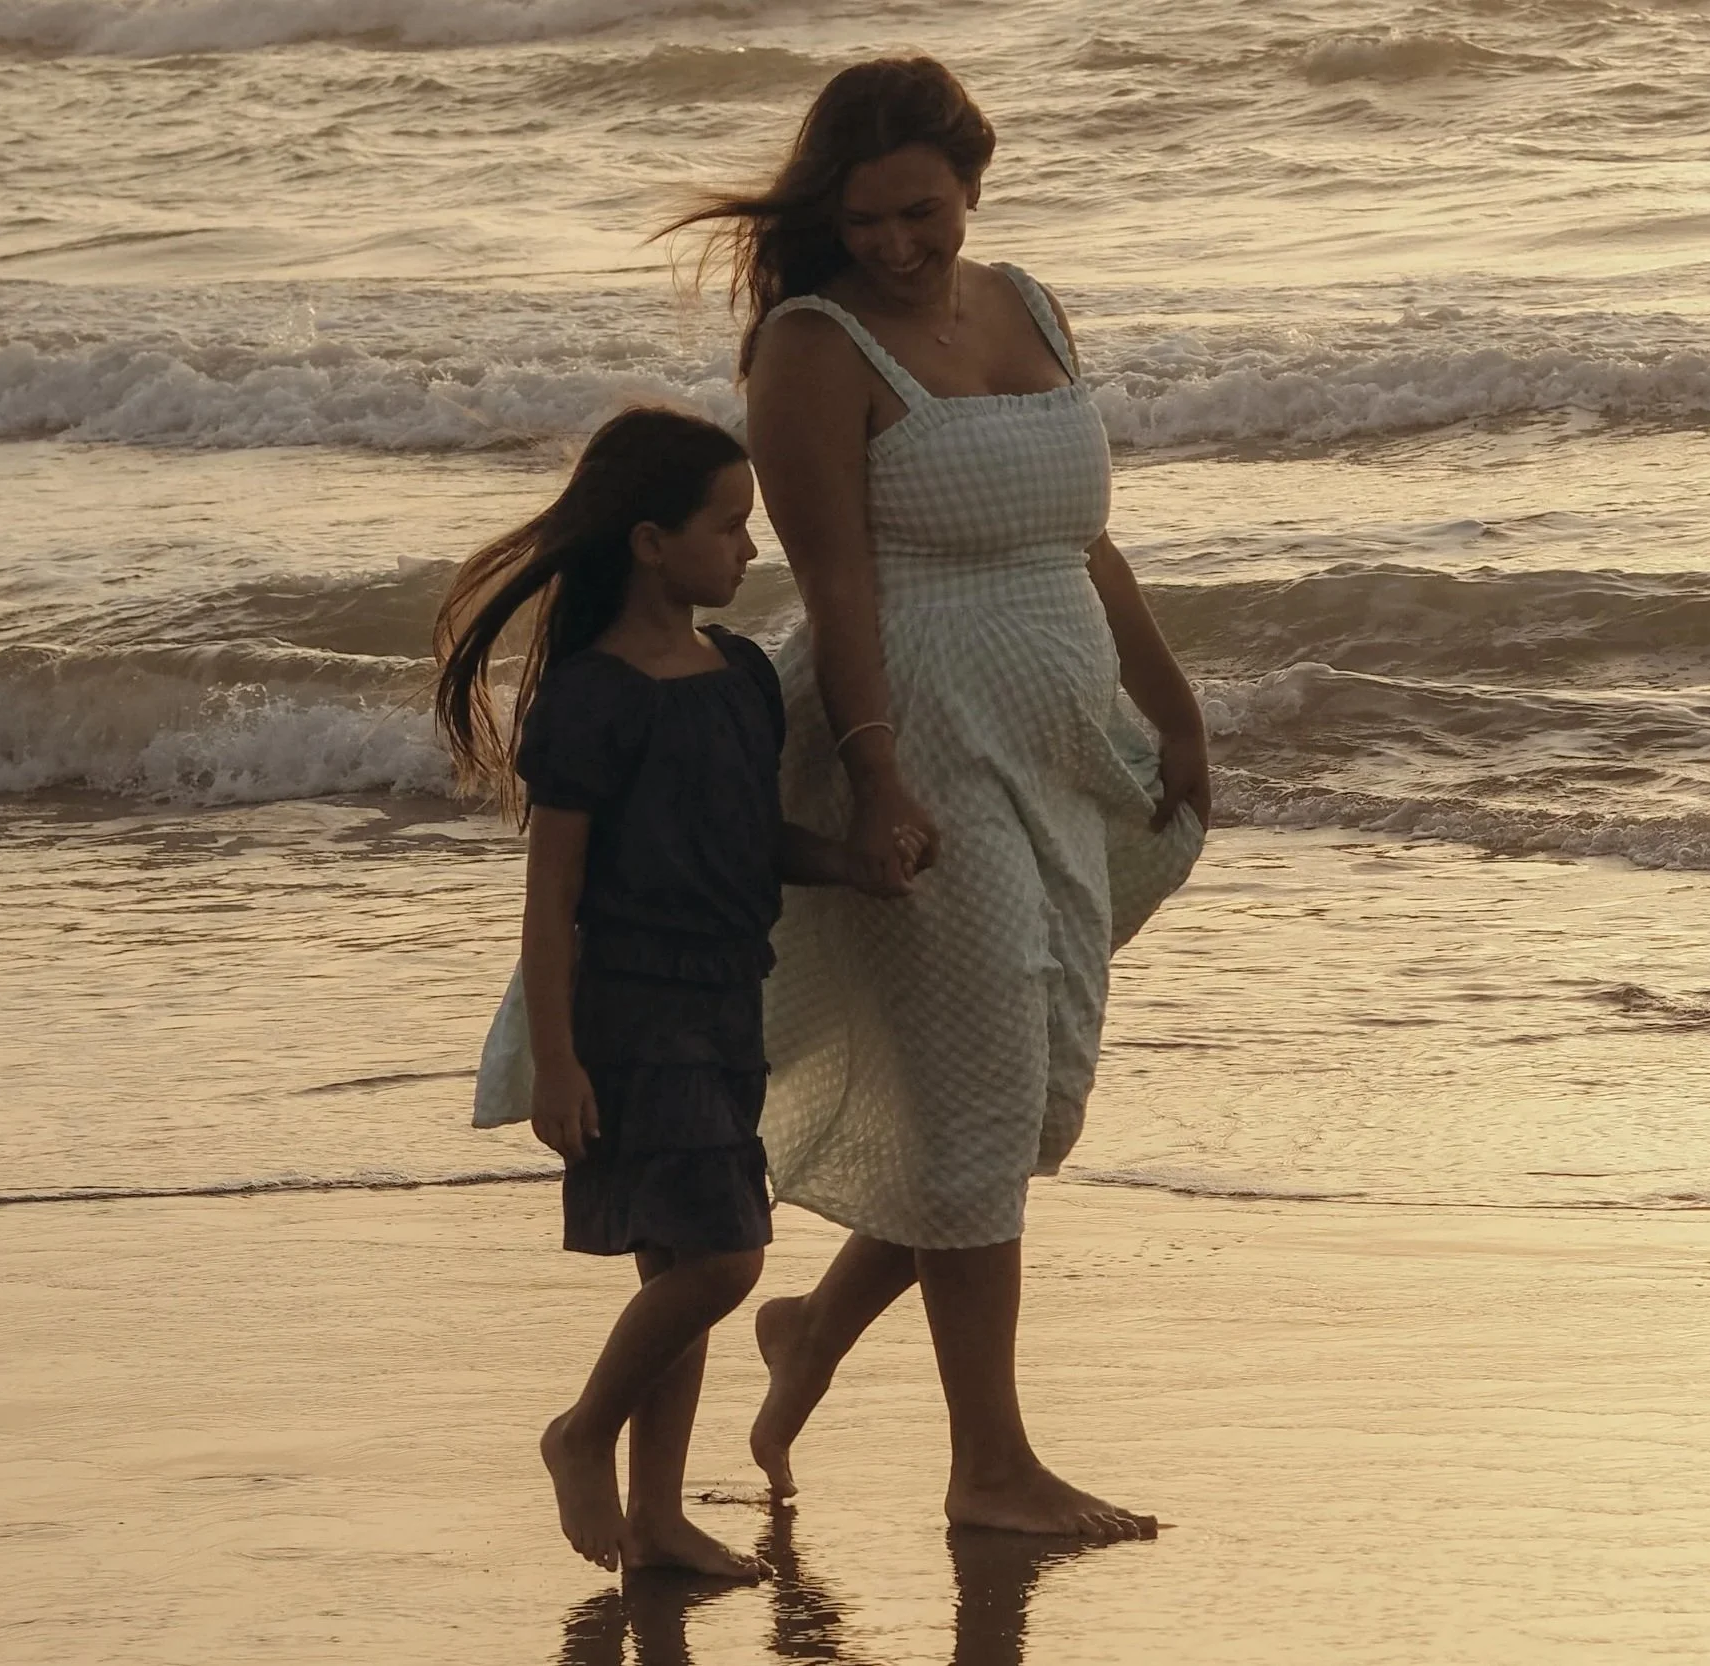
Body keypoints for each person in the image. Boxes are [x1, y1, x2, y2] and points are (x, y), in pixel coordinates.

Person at [668, 57, 1210, 1540]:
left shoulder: (1028, 303)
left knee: (1025, 1093)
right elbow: (835, 581)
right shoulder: (812, 347)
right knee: (977, 1097)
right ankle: (990, 1468)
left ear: (974, 187)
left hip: (1058, 739)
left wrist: (1171, 701)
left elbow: (1087, 539)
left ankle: (810, 1336)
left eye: (925, 214)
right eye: (867, 221)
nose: (899, 245)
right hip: (923, 739)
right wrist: (882, 767)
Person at [432, 406, 876, 1577]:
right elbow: (551, 894)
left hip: (732, 996)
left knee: (681, 1265)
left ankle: (659, 1517)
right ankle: (580, 1435)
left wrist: (849, 862)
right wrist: (560, 1059)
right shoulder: (592, 695)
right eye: (727, 526)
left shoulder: (737, 674)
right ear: (648, 540)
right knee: (724, 1264)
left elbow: (749, 836)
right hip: (634, 1010)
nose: (748, 549)